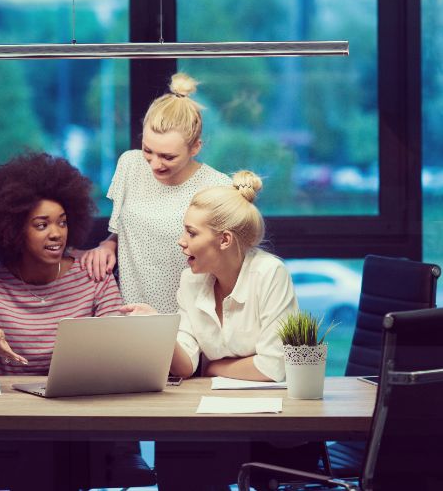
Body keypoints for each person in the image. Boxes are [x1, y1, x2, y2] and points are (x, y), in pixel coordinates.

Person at [120, 171, 321, 489]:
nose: (181, 241)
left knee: (192, 454)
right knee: (178, 451)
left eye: (191, 232)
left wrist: (212, 366)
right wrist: (157, 327)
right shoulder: (191, 280)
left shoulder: (270, 274)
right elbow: (186, 364)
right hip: (215, 422)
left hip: (271, 429)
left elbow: (273, 366)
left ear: (224, 239)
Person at [0, 152, 138, 490]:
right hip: (20, 429)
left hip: (85, 423)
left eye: (63, 221)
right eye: (41, 225)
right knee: (39, 459)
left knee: (72, 453)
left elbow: (120, 344)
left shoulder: (92, 271)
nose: (56, 234)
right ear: (11, 229)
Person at [80, 71, 230, 313]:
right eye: (148, 150)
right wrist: (108, 245)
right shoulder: (130, 164)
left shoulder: (217, 186)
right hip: (132, 313)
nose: (154, 164)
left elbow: (227, 261)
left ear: (195, 148)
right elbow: (129, 230)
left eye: (168, 156)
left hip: (190, 319)